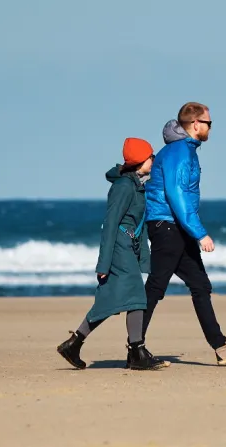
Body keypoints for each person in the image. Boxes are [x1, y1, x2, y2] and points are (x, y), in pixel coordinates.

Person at [142, 101, 226, 365]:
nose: (210, 127)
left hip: (176, 226)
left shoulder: (186, 150)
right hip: (167, 225)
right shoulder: (179, 152)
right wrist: (199, 233)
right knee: (155, 288)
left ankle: (221, 347)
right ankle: (134, 347)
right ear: (195, 124)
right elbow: (177, 195)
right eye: (209, 123)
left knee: (200, 285)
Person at [56, 137, 169, 371]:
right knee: (137, 296)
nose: (153, 160)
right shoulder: (123, 186)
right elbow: (110, 224)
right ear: (140, 160)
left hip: (127, 246)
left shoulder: (136, 184)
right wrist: (103, 264)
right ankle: (137, 351)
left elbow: (137, 223)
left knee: (110, 299)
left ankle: (74, 343)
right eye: (150, 156)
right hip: (118, 247)